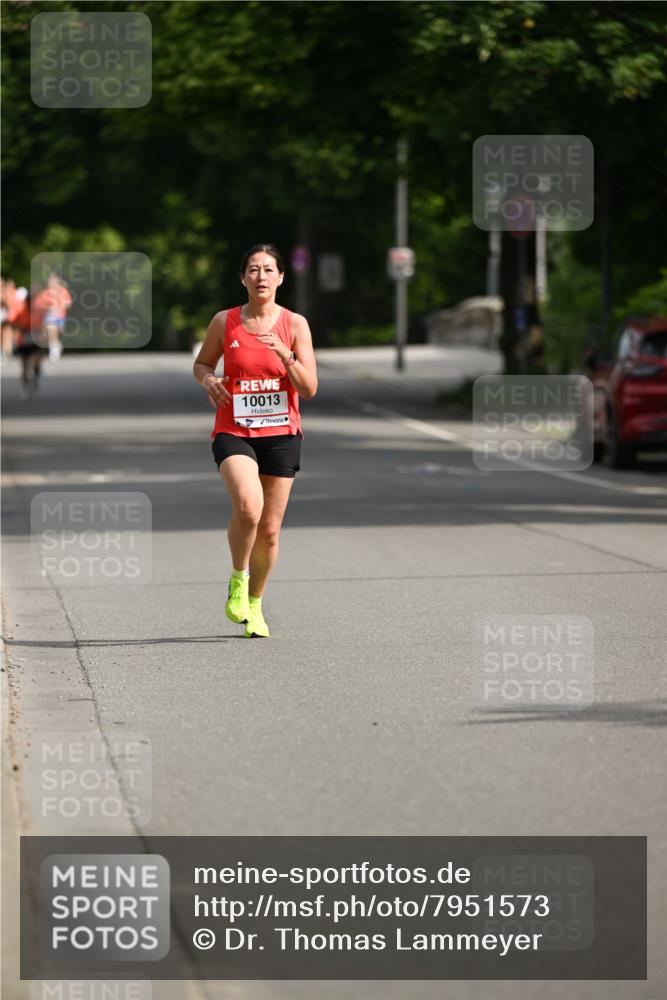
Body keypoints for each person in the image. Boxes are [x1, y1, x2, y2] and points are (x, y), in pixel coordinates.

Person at [193, 244, 318, 637]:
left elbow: (310, 388)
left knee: (269, 530)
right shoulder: (224, 322)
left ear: (281, 277)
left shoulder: (295, 325)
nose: (261, 277)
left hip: (281, 434)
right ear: (243, 278)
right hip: (235, 430)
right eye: (253, 270)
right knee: (248, 506)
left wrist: (287, 356)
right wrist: (209, 379)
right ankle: (238, 577)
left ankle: (256, 603)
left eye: (268, 270)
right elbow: (201, 364)